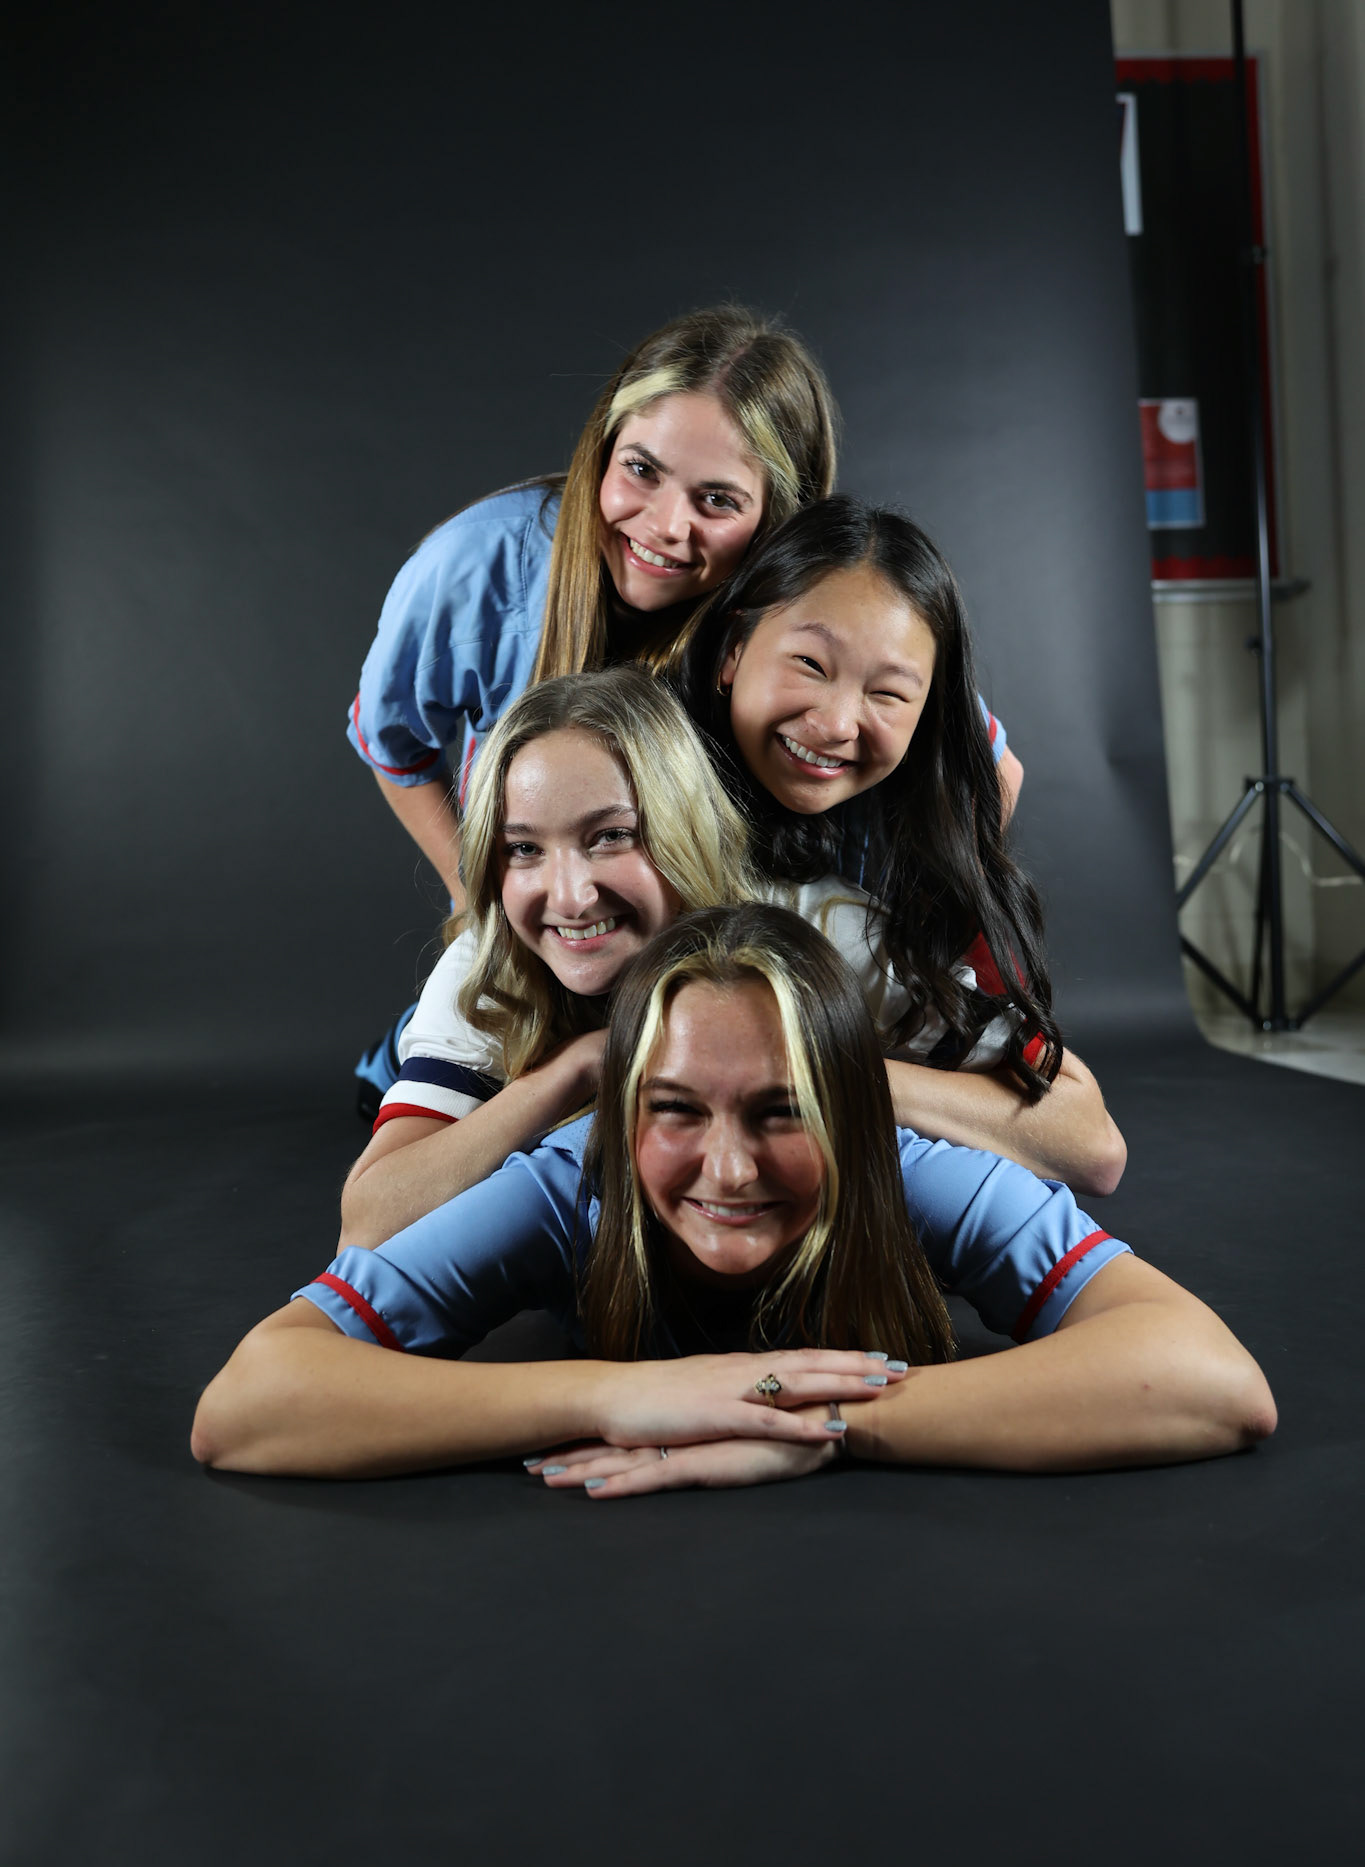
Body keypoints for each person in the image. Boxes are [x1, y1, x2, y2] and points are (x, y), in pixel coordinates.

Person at [191, 906, 1274, 1487]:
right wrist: (619, 1397)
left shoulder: (902, 1165)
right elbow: (250, 1403)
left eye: (778, 1109)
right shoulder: (571, 1180)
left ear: (846, 1113)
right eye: (675, 1109)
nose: (729, 1169)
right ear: (622, 1118)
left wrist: (820, 1420)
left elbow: (1212, 1379)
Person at [348, 308, 1020, 1101]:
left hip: (726, 955)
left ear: (780, 520)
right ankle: (414, 1055)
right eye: (639, 469)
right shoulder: (478, 565)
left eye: (717, 500)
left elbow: (987, 767)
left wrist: (904, 952)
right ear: (602, 447)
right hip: (571, 948)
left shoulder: (811, 604)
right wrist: (477, 902)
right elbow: (390, 741)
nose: (665, 525)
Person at [340, 669, 1120, 1253]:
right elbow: (368, 1226)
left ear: (683, 829)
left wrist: (814, 1059)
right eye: (523, 850)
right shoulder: (495, 961)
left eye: (612, 835)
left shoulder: (822, 931)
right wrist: (576, 1071)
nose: (568, 895)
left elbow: (1090, 1147)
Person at [676, 497, 1126, 1184]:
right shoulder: (637, 804)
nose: (834, 724)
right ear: (732, 648)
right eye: (809, 663)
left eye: (887, 694)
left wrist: (825, 1071)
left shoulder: (918, 857)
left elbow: (1089, 1145)